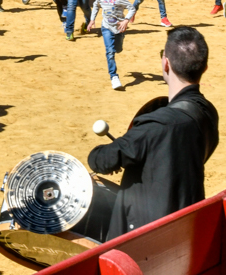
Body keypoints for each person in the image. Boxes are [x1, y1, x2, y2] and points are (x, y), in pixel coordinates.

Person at [88, 26, 219, 239]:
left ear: (165, 63)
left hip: (143, 234)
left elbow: (100, 160)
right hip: (186, 225)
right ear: (204, 68)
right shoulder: (208, 113)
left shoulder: (155, 126)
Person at [87, 0, 136, 90]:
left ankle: (119, 44)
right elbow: (95, 7)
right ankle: (114, 77)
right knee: (109, 52)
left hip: (119, 28)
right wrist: (92, 20)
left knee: (117, 49)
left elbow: (132, 8)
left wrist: (126, 20)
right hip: (106, 27)